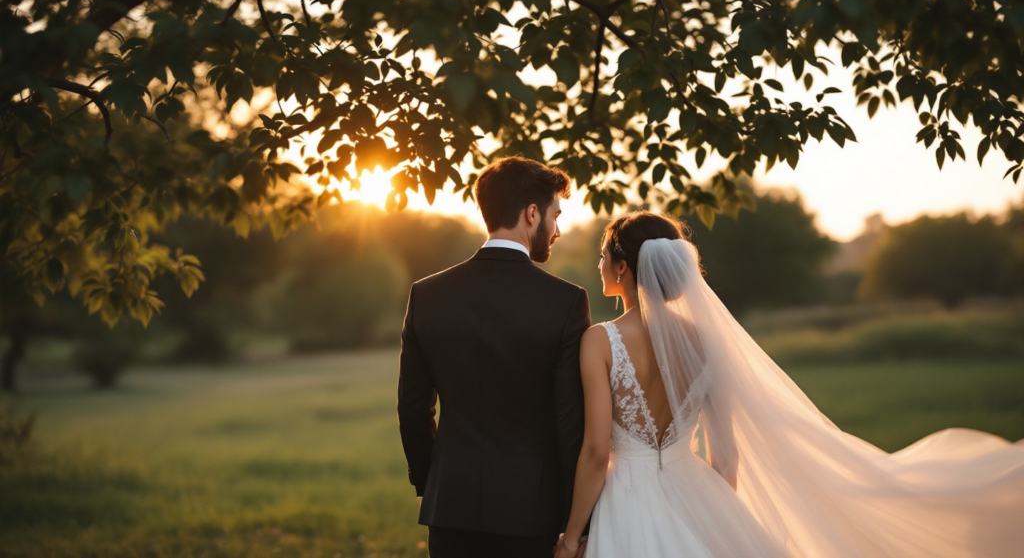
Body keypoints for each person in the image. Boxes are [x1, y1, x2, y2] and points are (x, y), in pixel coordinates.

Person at [556, 210, 1024, 558]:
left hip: (627, 503)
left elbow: (598, 452)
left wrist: (573, 536)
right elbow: (727, 458)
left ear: (622, 267)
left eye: (603, 256)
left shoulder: (601, 341)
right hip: (693, 490)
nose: (598, 265)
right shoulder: (705, 343)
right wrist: (719, 517)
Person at [398, 157, 590, 557]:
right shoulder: (566, 302)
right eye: (555, 215)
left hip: (450, 506)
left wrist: (430, 485)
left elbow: (413, 409)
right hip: (532, 512)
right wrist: (577, 520)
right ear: (532, 214)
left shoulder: (427, 295)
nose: (557, 230)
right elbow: (570, 418)